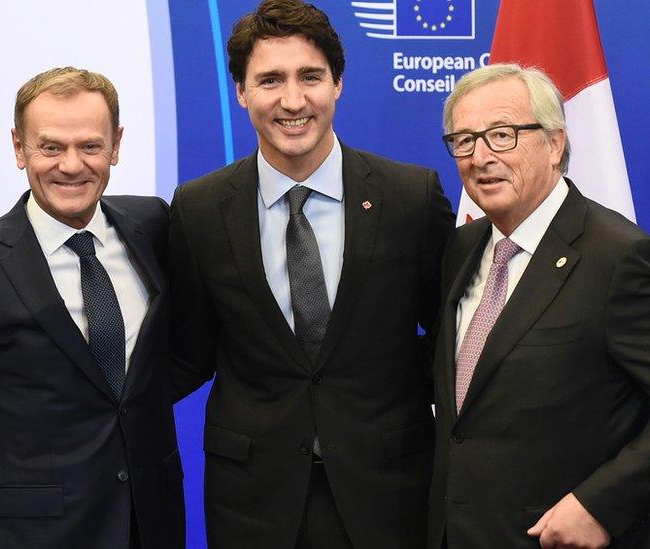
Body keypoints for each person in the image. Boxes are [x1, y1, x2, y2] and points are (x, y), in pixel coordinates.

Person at [169, 1, 454, 547]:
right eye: (270, 79)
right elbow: (190, 350)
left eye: (310, 77)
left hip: (391, 488)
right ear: (241, 92)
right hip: (254, 497)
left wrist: (382, 394)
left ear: (338, 84)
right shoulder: (198, 208)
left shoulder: (409, 197)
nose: (292, 100)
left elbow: (450, 336)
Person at [428, 64, 650, 549]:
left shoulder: (619, 258)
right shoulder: (462, 247)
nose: (481, 157)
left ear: (554, 144)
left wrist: (600, 504)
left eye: (502, 135)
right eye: (464, 140)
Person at [0, 67, 184, 549]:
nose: (71, 166)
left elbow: (170, 360)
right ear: (19, 148)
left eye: (90, 146)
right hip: (29, 535)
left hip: (150, 525)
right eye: (51, 147)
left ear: (116, 145)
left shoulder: (152, 223)